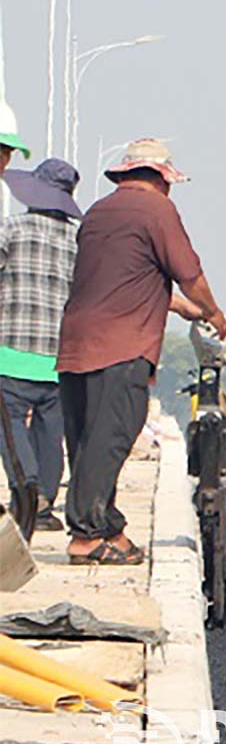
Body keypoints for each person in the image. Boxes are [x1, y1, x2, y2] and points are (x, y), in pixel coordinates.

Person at [56, 140, 226, 566]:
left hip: (77, 342)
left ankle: (107, 526)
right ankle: (86, 535)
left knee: (85, 439)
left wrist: (183, 308)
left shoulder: (98, 212)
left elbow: (125, 277)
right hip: (121, 343)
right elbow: (190, 274)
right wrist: (213, 312)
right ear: (161, 179)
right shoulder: (157, 210)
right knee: (112, 435)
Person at [0, 160, 84, 531]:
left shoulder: (11, 229)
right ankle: (46, 505)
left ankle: (26, 486)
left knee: (10, 424)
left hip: (11, 349)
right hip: (59, 358)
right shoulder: (79, 243)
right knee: (52, 433)